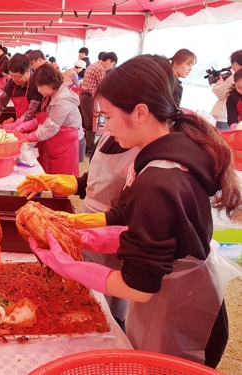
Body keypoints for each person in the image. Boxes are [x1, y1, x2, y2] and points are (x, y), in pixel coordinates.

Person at [26, 54, 242, 368]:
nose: (107, 129)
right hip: (183, 294)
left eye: (109, 117)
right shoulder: (173, 150)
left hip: (181, 311)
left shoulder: (158, 180)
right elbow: (152, 226)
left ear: (140, 112)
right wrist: (94, 238)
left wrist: (68, 266)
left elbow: (137, 288)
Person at [17, 63, 83, 180]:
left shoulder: (62, 102)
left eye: (41, 86)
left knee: (61, 181)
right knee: (46, 176)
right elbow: (46, 118)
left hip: (66, 144)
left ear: (51, 84)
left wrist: (28, 137)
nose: (38, 90)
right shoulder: (50, 95)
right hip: (55, 143)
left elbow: (49, 128)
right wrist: (24, 125)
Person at [0, 53, 42, 128]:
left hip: (35, 127)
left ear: (28, 71)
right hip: (19, 124)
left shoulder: (37, 84)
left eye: (17, 76)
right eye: (12, 76)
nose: (14, 79)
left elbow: (31, 114)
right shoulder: (11, 82)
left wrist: (11, 126)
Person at [80, 52, 118, 157]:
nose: (111, 67)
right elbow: (104, 88)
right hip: (90, 99)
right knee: (91, 125)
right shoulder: (100, 69)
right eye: (112, 64)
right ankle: (90, 150)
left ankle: (86, 148)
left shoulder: (93, 65)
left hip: (84, 97)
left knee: (86, 124)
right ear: (109, 61)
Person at [212, 50, 242, 130]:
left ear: (235, 63)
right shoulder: (232, 96)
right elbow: (232, 117)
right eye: (238, 87)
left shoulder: (232, 77)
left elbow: (219, 92)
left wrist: (219, 83)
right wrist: (235, 128)